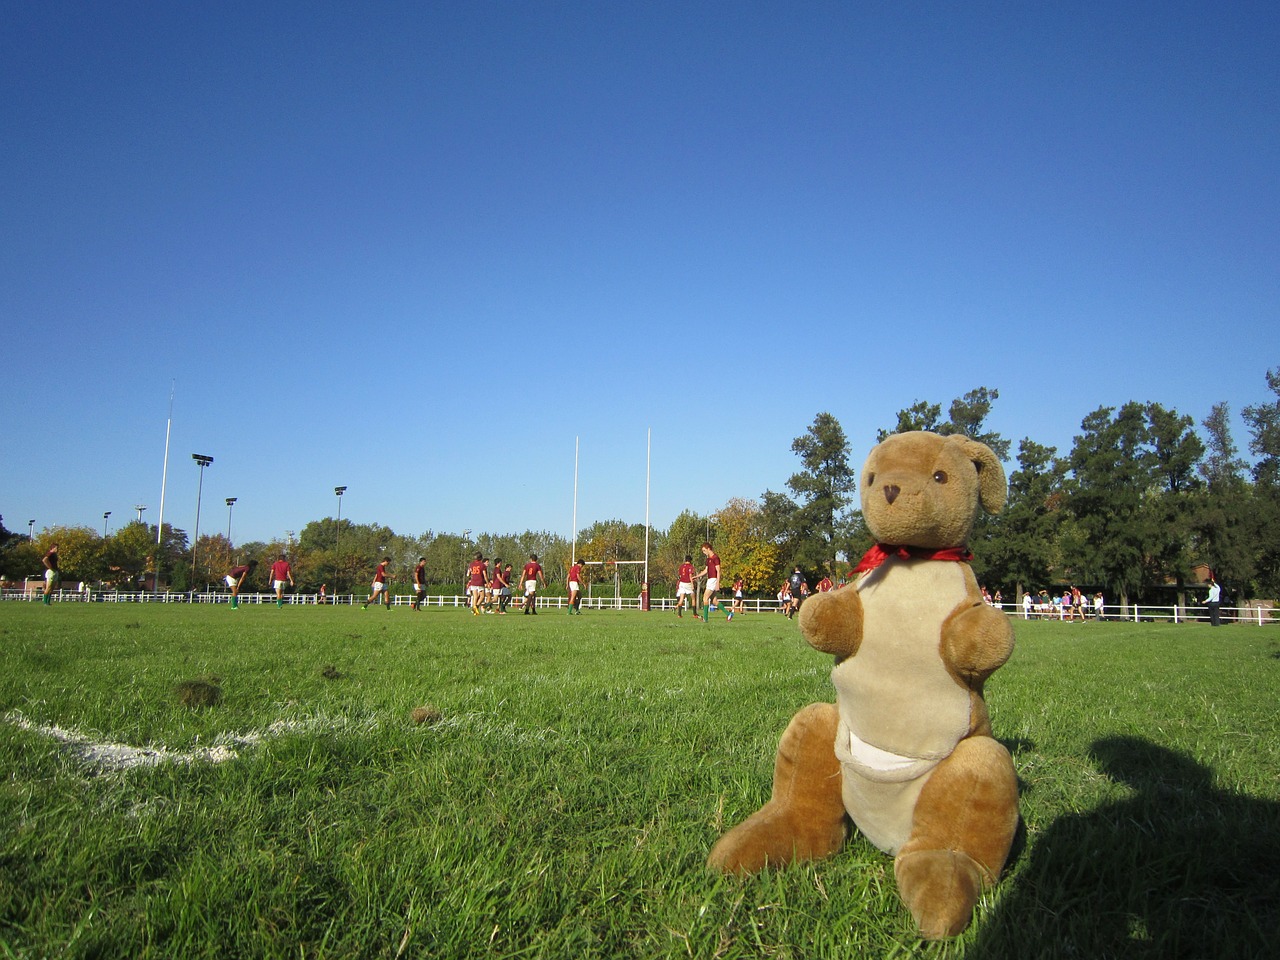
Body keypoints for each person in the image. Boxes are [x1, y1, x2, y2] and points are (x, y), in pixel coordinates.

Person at [697, 541, 730, 620]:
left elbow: (718, 571)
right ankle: (729, 614)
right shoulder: (708, 559)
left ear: (708, 549)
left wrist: (717, 583)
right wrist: (696, 576)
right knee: (714, 601)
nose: (704, 552)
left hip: (713, 579)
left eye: (704, 550)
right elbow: (706, 570)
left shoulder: (715, 558)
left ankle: (705, 618)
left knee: (705, 598)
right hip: (710, 579)